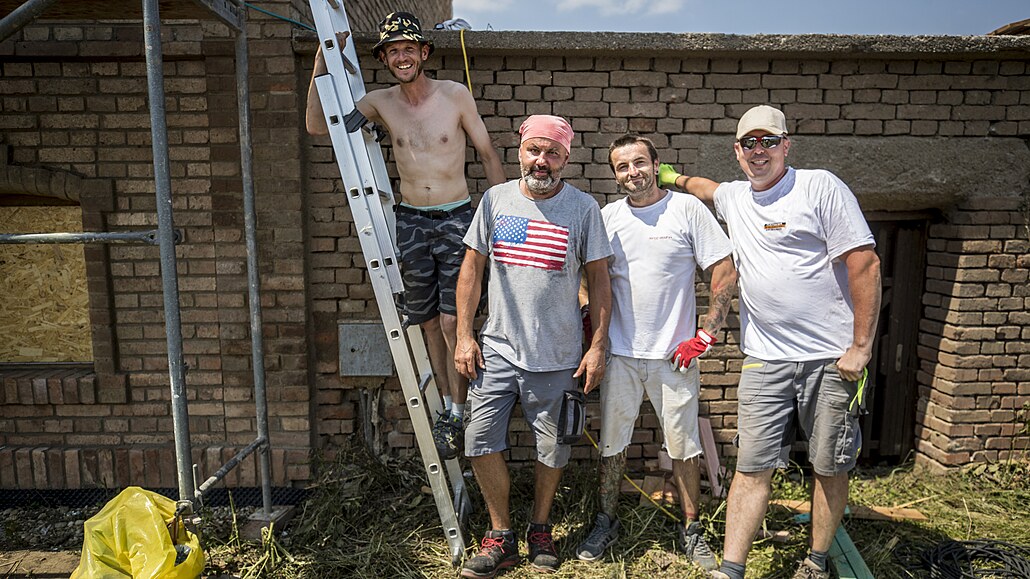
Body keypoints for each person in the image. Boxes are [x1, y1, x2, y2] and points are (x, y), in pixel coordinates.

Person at [658, 105, 882, 579]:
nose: (759, 151)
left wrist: (861, 347)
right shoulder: (736, 197)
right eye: (749, 144)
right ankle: (731, 568)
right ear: (738, 152)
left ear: (786, 145)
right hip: (765, 359)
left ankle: (817, 561)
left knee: (828, 463)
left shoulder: (820, 187)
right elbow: (706, 188)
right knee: (752, 464)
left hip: (830, 358)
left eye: (768, 141)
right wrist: (673, 177)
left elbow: (864, 264)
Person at [306, 12, 505, 460]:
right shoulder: (379, 102)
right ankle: (452, 415)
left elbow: (488, 154)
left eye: (408, 49)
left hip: (458, 218)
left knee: (457, 321)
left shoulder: (454, 96)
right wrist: (322, 59)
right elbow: (320, 126)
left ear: (423, 53)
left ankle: (457, 408)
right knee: (428, 322)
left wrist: (501, 213)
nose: (401, 57)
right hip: (411, 220)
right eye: (393, 50)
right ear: (384, 57)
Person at [454, 115, 613, 578]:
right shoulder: (495, 201)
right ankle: (500, 535)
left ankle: (539, 528)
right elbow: (472, 270)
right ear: (520, 151)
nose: (541, 162)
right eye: (534, 151)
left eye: (553, 153)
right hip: (497, 350)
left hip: (559, 355)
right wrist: (465, 335)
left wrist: (598, 345)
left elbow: (600, 282)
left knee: (554, 449)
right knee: (479, 441)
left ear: (566, 157)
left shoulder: (583, 208)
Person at [575, 135, 737, 571]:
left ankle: (691, 528)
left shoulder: (686, 210)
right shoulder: (606, 217)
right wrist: (594, 330)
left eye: (640, 163)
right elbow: (586, 279)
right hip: (621, 356)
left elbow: (723, 270)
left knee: (684, 447)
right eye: (623, 167)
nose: (633, 172)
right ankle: (606, 519)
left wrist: (706, 334)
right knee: (611, 444)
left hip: (675, 356)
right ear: (615, 174)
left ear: (656, 163)